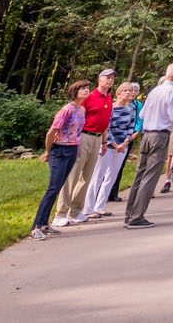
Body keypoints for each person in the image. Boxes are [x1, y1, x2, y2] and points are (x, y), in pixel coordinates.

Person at [124, 61, 173, 228]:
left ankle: (129, 215)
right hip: (160, 135)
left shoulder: (154, 91)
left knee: (139, 175)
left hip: (146, 136)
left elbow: (142, 113)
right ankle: (137, 217)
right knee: (150, 177)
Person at [53, 67, 115, 229]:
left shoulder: (108, 98)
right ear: (99, 80)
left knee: (87, 177)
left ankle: (75, 211)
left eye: (112, 78)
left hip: (97, 138)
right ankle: (61, 212)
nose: (109, 80)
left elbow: (105, 123)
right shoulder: (90, 96)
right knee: (73, 175)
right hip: (84, 136)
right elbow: (77, 115)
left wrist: (103, 142)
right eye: (106, 77)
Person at [31, 81, 89, 241]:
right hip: (59, 151)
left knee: (57, 189)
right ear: (74, 92)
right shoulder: (66, 110)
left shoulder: (82, 109)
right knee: (52, 189)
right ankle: (35, 227)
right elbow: (51, 132)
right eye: (82, 88)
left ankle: (44, 224)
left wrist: (76, 150)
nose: (86, 90)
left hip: (72, 150)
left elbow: (77, 133)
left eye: (87, 88)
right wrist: (48, 151)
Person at [81, 81, 141, 220]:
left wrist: (125, 143)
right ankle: (88, 208)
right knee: (98, 176)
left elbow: (131, 127)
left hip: (122, 146)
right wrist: (114, 144)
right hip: (108, 145)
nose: (129, 93)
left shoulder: (131, 109)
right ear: (118, 93)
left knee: (111, 177)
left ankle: (100, 206)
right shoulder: (111, 108)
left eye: (130, 91)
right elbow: (106, 127)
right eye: (125, 90)